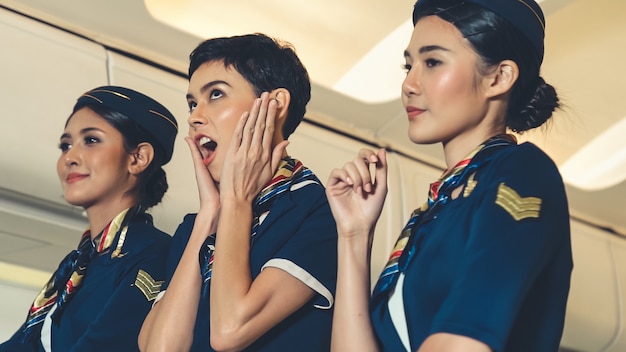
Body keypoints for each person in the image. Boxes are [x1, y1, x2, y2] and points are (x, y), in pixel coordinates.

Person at [327, 0, 572, 351]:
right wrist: (354, 235)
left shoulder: (521, 172)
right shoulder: (433, 212)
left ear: (499, 77)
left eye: (432, 62)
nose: (409, 84)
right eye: (408, 65)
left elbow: (464, 343)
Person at [138, 33, 337, 352]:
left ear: (275, 105)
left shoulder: (319, 209)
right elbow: (160, 348)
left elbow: (230, 331)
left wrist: (235, 200)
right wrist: (208, 215)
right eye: (192, 103)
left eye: (215, 94)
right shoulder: (195, 227)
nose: (194, 117)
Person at [0, 86, 177, 351]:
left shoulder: (153, 255)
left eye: (91, 140)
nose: (69, 157)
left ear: (138, 158)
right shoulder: (75, 266)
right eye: (65, 145)